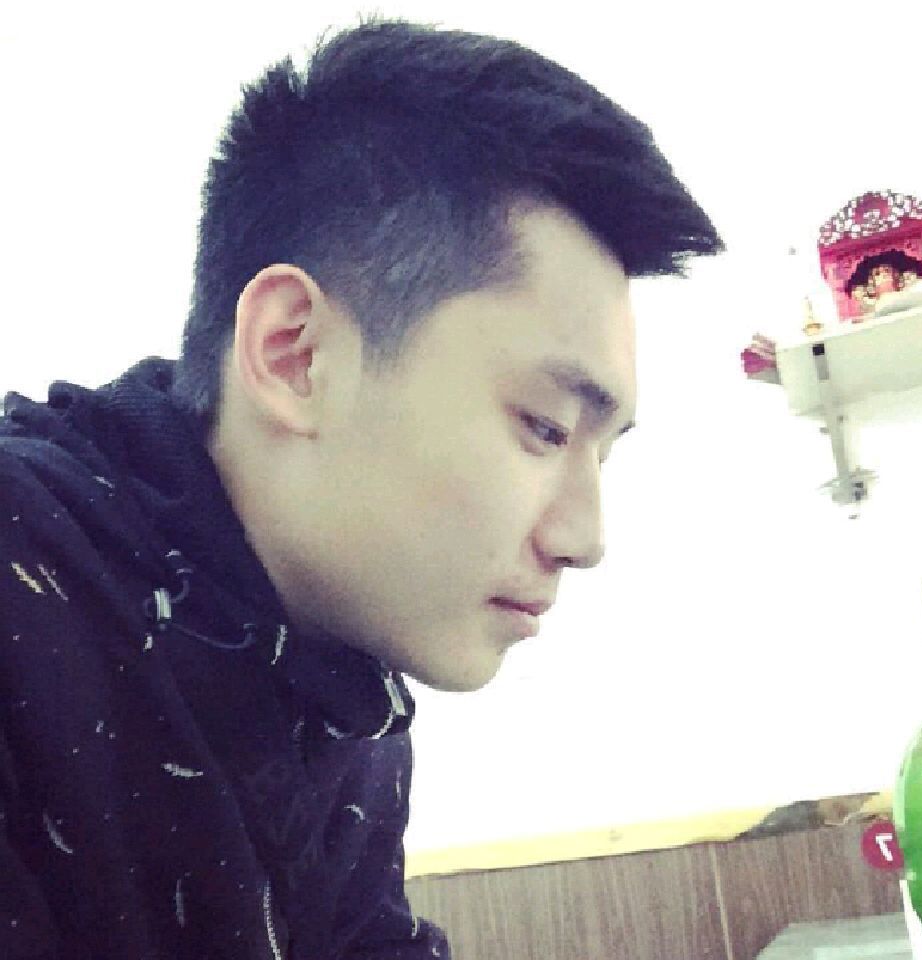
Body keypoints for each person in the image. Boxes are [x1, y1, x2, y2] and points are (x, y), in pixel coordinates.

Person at [0, 17, 722, 960]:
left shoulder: (339, 678)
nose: (586, 538)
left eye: (603, 451)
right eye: (545, 427)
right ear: (294, 354)